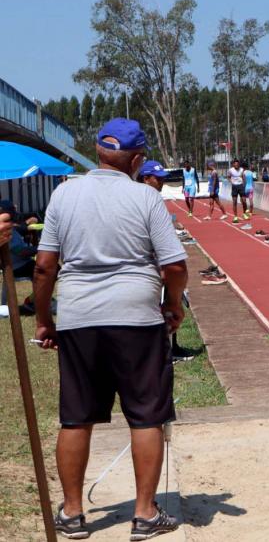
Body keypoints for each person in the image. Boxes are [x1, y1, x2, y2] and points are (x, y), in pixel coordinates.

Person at [32, 118, 186, 540]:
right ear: (137, 159)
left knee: (76, 418)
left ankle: (73, 512)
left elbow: (45, 266)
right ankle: (144, 514)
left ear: (98, 152)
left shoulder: (64, 193)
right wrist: (172, 304)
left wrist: (46, 319)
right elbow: (174, 266)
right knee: (145, 417)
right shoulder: (146, 199)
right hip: (136, 317)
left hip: (80, 317)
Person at [138, 160, 196, 359]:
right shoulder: (142, 200)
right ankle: (165, 352)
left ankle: (172, 347)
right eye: (158, 179)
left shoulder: (151, 199)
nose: (161, 182)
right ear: (145, 178)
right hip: (150, 266)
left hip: (156, 262)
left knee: (167, 306)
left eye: (163, 178)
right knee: (162, 308)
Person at [227, 158, 248, 223]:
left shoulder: (241, 170)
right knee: (234, 202)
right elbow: (228, 177)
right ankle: (235, 216)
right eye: (235, 164)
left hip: (241, 186)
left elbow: (244, 178)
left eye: (237, 164)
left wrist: (244, 185)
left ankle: (244, 213)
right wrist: (231, 182)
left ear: (239, 164)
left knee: (244, 201)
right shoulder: (230, 170)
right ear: (233, 164)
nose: (236, 165)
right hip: (234, 187)